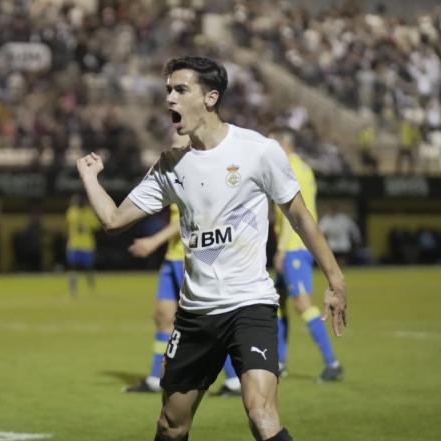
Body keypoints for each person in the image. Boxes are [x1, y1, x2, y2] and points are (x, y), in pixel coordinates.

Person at [76, 56, 347, 441]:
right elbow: (114, 220)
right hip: (195, 315)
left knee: (262, 413)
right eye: (168, 89)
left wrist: (336, 280)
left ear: (210, 97)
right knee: (172, 425)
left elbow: (301, 218)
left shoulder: (259, 151)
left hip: (250, 304)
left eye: (181, 89)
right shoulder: (172, 164)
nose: (170, 98)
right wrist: (90, 179)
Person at [125, 203, 242, 395]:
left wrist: (154, 241)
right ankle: (156, 378)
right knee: (163, 317)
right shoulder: (173, 177)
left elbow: (188, 217)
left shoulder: (190, 177)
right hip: (173, 257)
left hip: (190, 258)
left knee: (205, 320)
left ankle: (235, 380)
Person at [269, 127, 343, 382]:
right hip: (292, 248)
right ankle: (279, 362)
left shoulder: (292, 168)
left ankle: (332, 363)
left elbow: (296, 216)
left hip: (294, 250)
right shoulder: (301, 167)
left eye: (271, 141)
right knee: (278, 303)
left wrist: (280, 250)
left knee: (303, 304)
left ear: (282, 143)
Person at [65, 193, 100, 296]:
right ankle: (73, 290)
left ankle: (91, 288)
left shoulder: (89, 212)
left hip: (87, 246)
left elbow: (96, 225)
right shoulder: (72, 212)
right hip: (75, 245)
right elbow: (76, 222)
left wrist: (88, 225)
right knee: (73, 268)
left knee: (88, 269)